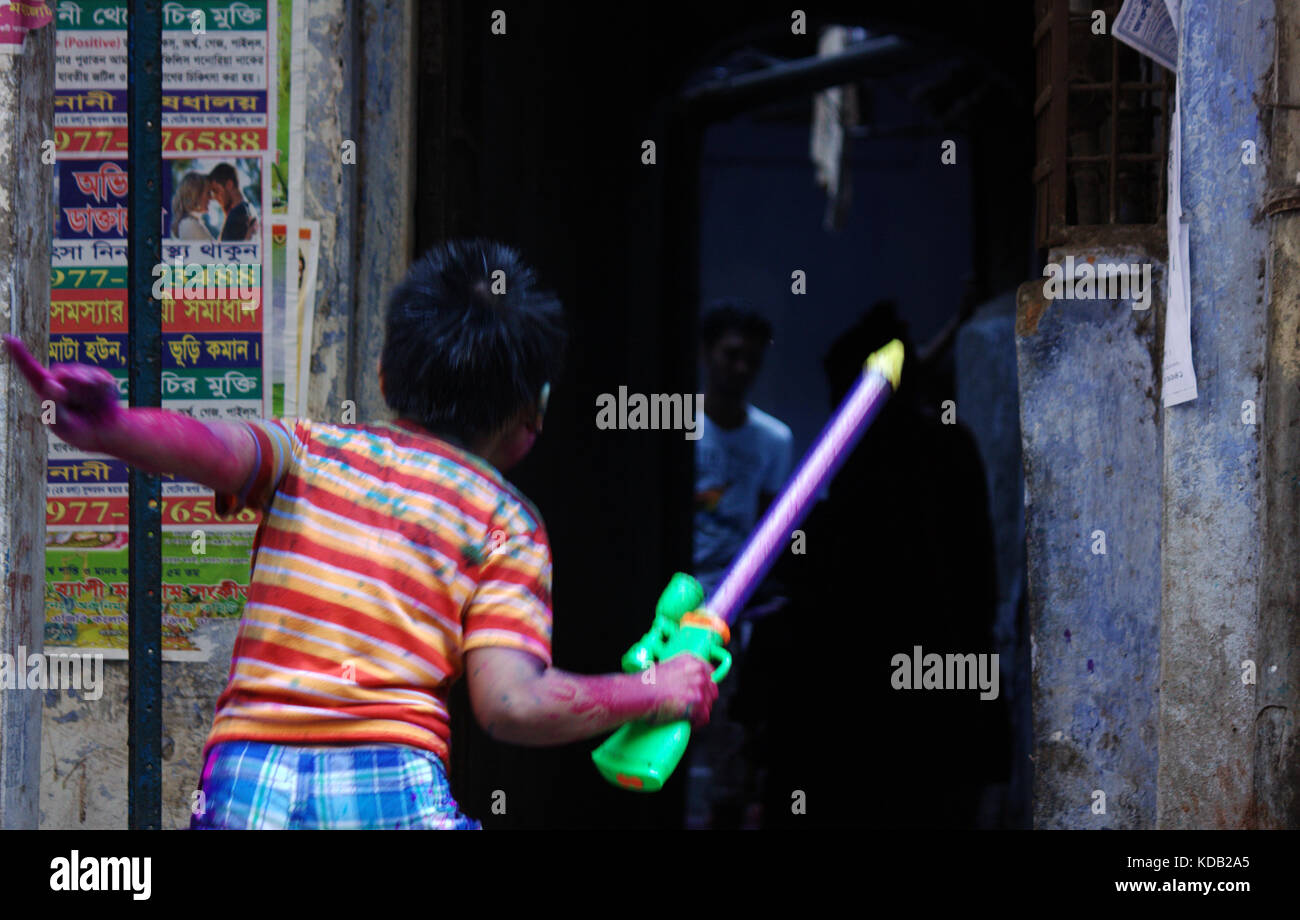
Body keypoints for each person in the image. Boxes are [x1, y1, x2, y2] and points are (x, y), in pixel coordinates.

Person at [2, 239, 718, 830]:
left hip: (241, 783)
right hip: (384, 784)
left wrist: (113, 427)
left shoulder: (310, 450)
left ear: (383, 372)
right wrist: (655, 690)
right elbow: (510, 705)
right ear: (533, 418)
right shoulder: (506, 522)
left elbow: (206, 446)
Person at [688, 299, 793, 829]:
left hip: (734, 618)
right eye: (732, 355)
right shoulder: (678, 427)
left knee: (730, 751)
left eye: (752, 359)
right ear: (708, 354)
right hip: (673, 611)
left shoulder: (773, 441)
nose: (742, 369)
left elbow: (775, 527)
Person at [208, 162, 259, 242]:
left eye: (216, 191)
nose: (214, 197)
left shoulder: (236, 214)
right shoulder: (249, 208)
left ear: (229, 184)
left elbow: (223, 252)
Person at [170, 172, 214, 241]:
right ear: (196, 195)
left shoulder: (192, 222)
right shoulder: (189, 224)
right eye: (208, 193)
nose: (211, 197)